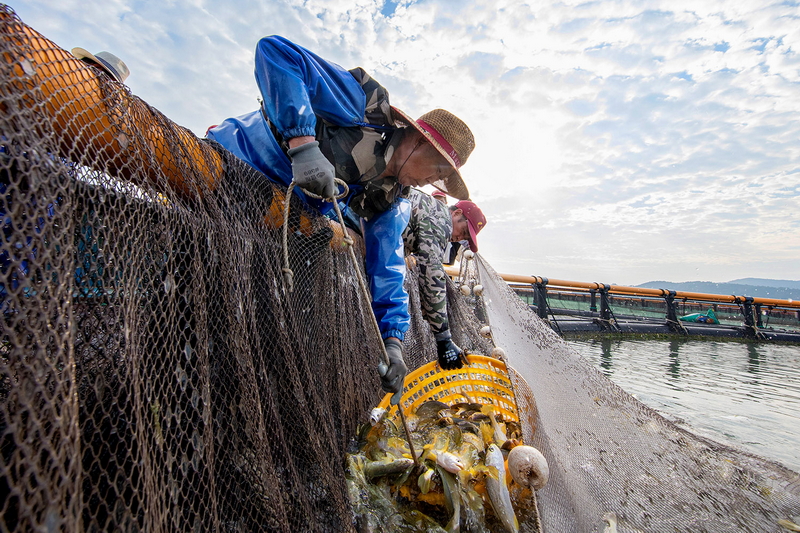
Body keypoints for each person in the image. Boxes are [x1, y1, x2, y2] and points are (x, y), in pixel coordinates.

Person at [205, 36, 476, 396]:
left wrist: (393, 343)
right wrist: (302, 144)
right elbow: (276, 53)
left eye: (443, 178)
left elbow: (387, 265)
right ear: (417, 139)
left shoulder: (392, 199)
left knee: (248, 333)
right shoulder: (364, 105)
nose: (435, 181)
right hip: (228, 168)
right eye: (439, 168)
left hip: (273, 224)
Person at [402, 189, 487, 369]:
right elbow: (432, 273)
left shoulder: (428, 213)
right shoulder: (441, 218)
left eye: (464, 238)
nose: (459, 238)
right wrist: (443, 338)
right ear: (456, 213)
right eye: (463, 231)